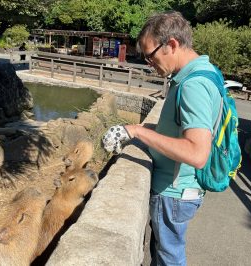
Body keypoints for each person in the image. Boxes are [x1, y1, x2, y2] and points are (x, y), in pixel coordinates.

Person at [102, 11, 222, 265]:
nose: (148, 63)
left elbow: (197, 153)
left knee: (170, 258)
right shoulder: (203, 72)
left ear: (172, 44)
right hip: (180, 191)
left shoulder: (193, 86)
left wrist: (137, 131)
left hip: (173, 193)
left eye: (150, 55)